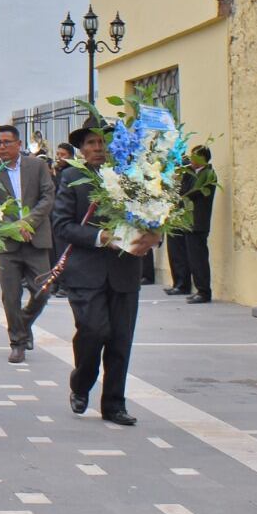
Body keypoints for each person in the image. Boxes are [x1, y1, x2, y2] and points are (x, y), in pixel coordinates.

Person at [51, 121, 153, 428]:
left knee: (121, 339)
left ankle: (114, 404)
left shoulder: (132, 178)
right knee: (93, 331)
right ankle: (81, 382)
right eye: (92, 143)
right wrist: (99, 237)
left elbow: (151, 215)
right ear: (82, 149)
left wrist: (153, 233)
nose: (98, 148)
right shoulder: (71, 177)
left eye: (104, 143)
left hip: (124, 271)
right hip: (86, 273)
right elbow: (62, 225)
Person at [0, 124, 55, 363]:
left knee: (43, 290)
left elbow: (48, 196)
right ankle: (17, 341)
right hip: (8, 244)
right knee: (11, 295)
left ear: (19, 144)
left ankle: (24, 323)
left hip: (36, 239)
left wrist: (27, 223)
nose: (2, 147)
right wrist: (14, 227)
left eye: (7, 142)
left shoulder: (37, 166)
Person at [181, 146, 216, 304]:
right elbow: (182, 191)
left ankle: (204, 291)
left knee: (199, 258)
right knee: (193, 258)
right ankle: (198, 289)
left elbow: (193, 193)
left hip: (199, 221)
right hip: (190, 222)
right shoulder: (193, 174)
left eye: (194, 157)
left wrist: (187, 173)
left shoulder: (208, 174)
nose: (191, 160)